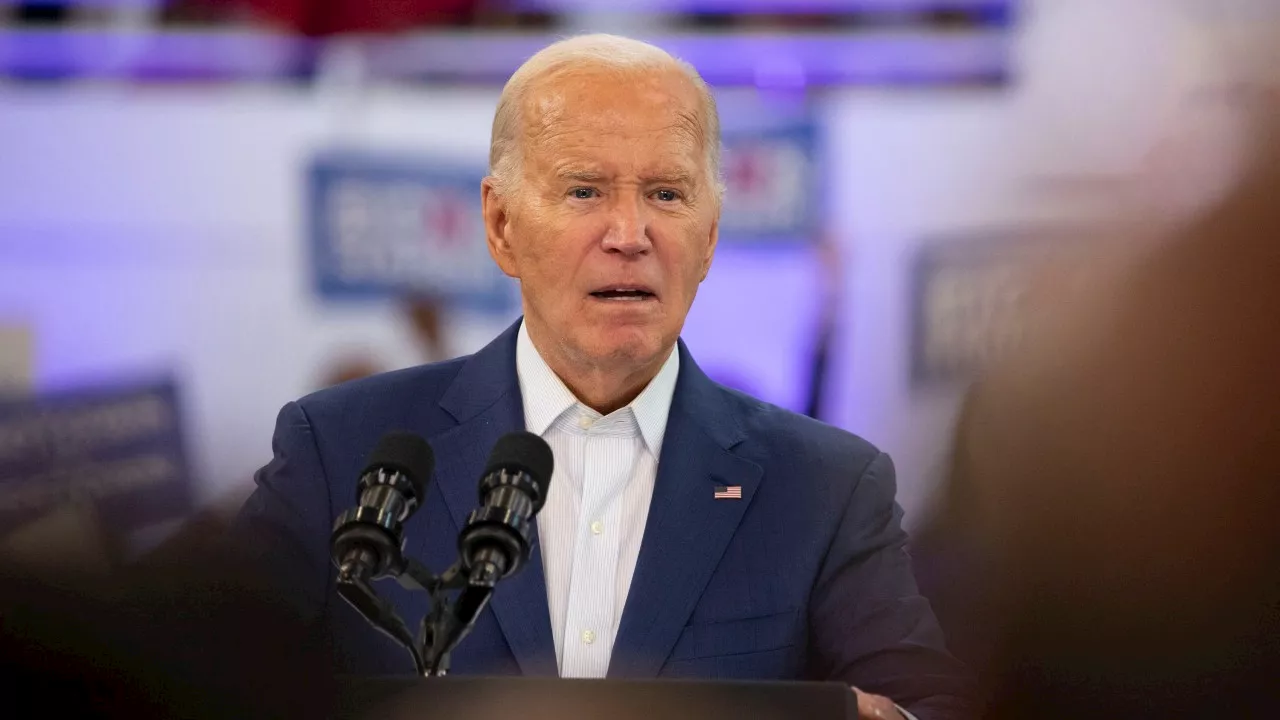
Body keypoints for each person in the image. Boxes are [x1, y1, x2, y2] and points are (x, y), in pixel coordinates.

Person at [236, 34, 976, 720]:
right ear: (500, 226)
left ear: (710, 234)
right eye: (585, 191)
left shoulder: (827, 486)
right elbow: (198, 682)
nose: (629, 235)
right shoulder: (339, 451)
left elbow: (926, 707)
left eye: (667, 194)